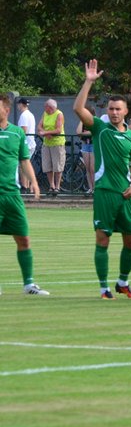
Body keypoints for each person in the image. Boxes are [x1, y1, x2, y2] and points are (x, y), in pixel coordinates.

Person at [73, 60, 131, 299]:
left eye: (118, 109)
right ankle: (104, 288)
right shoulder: (100, 128)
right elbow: (78, 109)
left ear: (125, 112)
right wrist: (88, 82)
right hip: (105, 192)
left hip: (125, 194)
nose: (114, 112)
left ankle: (123, 282)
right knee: (103, 240)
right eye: (111, 109)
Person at [0, 94, 49, 296]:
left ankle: (29, 284)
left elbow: (24, 160)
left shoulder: (17, 134)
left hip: (12, 195)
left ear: (7, 110)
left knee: (23, 239)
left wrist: (35, 183)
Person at [38, 98, 65, 195]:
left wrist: (46, 132)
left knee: (57, 166)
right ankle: (51, 186)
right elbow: (39, 126)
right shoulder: (45, 113)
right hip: (47, 143)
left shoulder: (59, 114)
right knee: (47, 166)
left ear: (50, 107)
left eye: (45, 106)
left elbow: (58, 130)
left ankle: (57, 187)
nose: (44, 108)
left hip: (57, 143)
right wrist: (45, 133)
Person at [76, 105, 95, 195]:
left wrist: (84, 133)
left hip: (93, 145)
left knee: (92, 168)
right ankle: (90, 188)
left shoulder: (94, 120)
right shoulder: (83, 122)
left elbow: (93, 132)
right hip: (85, 145)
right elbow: (79, 132)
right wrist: (81, 120)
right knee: (87, 168)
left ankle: (95, 188)